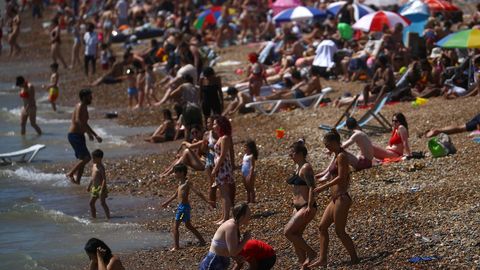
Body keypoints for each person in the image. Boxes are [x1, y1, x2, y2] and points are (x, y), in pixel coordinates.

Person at [308, 131, 359, 268]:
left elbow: (341, 177)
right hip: (335, 199)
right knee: (322, 227)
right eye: (326, 145)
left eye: (329, 145)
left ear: (336, 142)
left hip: (342, 198)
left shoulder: (342, 156)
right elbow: (327, 174)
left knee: (339, 231)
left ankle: (355, 258)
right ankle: (322, 259)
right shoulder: (336, 155)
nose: (327, 148)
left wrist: (322, 187)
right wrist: (314, 177)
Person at [161, 163, 215, 251]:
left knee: (175, 226)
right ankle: (202, 241)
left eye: (176, 172)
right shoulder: (180, 183)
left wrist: (207, 201)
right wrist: (166, 203)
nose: (174, 174)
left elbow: (198, 192)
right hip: (183, 208)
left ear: (182, 173)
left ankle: (176, 247)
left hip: (183, 209)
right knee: (188, 225)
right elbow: (175, 195)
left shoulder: (187, 183)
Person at [284, 140, 317, 268]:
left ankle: (311, 253)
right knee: (296, 237)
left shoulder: (306, 168)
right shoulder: (297, 166)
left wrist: (309, 205)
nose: (290, 156)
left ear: (300, 154)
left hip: (306, 206)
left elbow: (312, 187)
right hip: (297, 207)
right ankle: (304, 265)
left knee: (288, 232)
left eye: (292, 153)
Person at [199, 203, 252, 270]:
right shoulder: (231, 226)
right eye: (248, 214)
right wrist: (245, 239)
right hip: (214, 261)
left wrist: (236, 257)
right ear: (242, 216)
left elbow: (228, 249)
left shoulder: (234, 226)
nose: (250, 217)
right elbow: (233, 252)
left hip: (221, 260)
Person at [66, 89, 102, 185]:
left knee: (83, 159)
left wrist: (95, 135)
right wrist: (88, 133)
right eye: (89, 97)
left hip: (79, 135)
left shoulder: (85, 107)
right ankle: (70, 173)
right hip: (74, 135)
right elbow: (78, 121)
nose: (91, 98)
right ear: (83, 97)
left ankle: (77, 182)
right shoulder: (80, 106)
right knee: (87, 158)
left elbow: (85, 123)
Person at [212, 116, 235, 224]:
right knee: (222, 194)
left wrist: (215, 169)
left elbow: (223, 155)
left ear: (220, 125)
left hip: (223, 168)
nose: (213, 126)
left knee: (225, 193)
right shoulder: (220, 137)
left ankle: (226, 218)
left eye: (215, 124)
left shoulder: (225, 138)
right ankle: (223, 216)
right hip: (220, 168)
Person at [86, 149, 110, 219]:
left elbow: (104, 179)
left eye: (94, 158)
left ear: (99, 158)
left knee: (102, 203)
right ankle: (94, 218)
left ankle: (108, 217)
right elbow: (92, 177)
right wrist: (89, 186)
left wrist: (102, 190)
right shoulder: (94, 165)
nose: (92, 159)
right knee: (91, 203)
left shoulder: (101, 167)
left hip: (101, 188)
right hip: (94, 187)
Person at [241, 140, 258, 204]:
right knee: (246, 187)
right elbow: (243, 164)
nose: (244, 149)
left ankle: (252, 199)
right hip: (244, 172)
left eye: (246, 147)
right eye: (244, 147)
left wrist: (250, 174)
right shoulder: (245, 155)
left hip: (249, 173)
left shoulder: (251, 156)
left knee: (251, 187)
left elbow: (252, 166)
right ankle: (248, 199)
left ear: (250, 148)